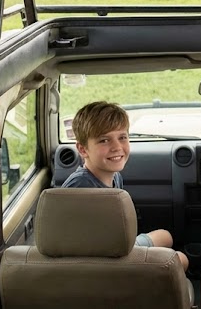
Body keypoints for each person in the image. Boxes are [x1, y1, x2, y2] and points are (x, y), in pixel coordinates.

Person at [61, 100, 190, 270]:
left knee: (165, 236)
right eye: (104, 140)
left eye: (122, 137)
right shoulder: (80, 188)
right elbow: (84, 250)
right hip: (107, 264)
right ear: (83, 149)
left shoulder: (115, 177)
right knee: (180, 260)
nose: (117, 147)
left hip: (118, 247)